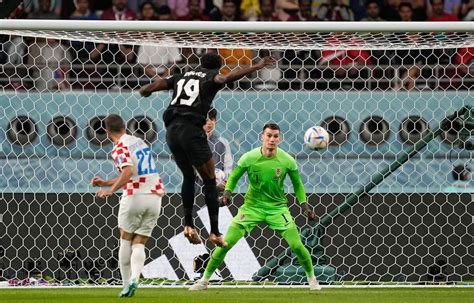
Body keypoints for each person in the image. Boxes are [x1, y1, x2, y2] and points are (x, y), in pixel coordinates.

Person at [139, 52, 275, 247]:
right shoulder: (212, 77)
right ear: (217, 68)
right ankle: (215, 233)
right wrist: (257, 65)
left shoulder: (181, 77)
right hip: (192, 130)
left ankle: (188, 225)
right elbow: (227, 78)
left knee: (188, 176)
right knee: (209, 180)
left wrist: (146, 89)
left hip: (171, 131)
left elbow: (158, 84)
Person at [189, 123, 322, 291]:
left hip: (277, 208)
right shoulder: (249, 158)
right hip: (251, 208)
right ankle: (204, 281)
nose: (272, 139)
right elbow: (235, 176)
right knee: (226, 243)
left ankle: (312, 280)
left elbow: (298, 185)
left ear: (279, 139)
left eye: (275, 136)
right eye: (269, 136)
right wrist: (227, 194)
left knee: (296, 245)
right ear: (262, 137)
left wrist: (305, 205)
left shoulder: (288, 161)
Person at [91, 114, 164, 297]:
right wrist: (106, 182)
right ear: (124, 127)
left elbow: (128, 171)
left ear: (107, 131)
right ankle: (135, 278)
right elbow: (135, 173)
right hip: (155, 196)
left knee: (125, 239)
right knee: (139, 242)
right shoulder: (139, 142)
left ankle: (125, 285)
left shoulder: (118, 147)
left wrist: (110, 190)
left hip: (134, 196)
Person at [196, 108, 233, 192]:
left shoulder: (223, 142)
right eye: (206, 119)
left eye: (212, 119)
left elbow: (228, 166)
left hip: (218, 190)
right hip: (197, 189)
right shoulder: (194, 142)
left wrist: (225, 182)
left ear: (215, 121)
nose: (209, 122)